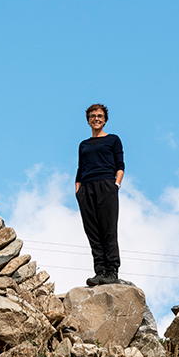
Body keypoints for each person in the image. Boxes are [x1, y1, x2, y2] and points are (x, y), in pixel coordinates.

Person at [75, 104, 124, 286]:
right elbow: (80, 169)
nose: (96, 118)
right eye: (93, 116)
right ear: (88, 120)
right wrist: (78, 190)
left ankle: (112, 271)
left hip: (106, 185)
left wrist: (115, 185)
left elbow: (120, 165)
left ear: (105, 119)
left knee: (108, 229)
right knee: (92, 232)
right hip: (86, 188)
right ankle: (100, 271)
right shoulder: (83, 144)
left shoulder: (113, 140)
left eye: (100, 116)